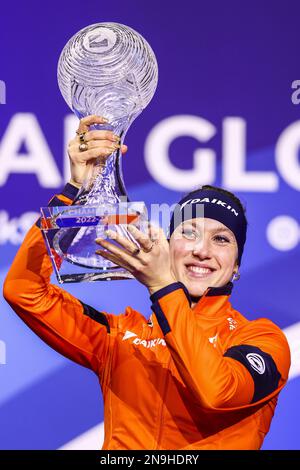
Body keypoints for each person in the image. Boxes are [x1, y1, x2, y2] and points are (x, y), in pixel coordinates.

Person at [3, 115, 290, 450]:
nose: (201, 250)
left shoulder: (262, 339)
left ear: (237, 266)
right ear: (169, 248)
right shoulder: (120, 337)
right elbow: (23, 290)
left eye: (222, 240)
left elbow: (217, 392)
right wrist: (75, 194)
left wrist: (163, 288)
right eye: (189, 232)